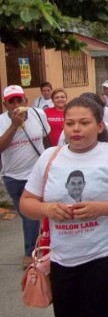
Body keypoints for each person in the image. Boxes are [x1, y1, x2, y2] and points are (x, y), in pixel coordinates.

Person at [20, 97, 108, 317]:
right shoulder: (50, 157)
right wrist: (47, 209)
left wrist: (101, 208)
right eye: (70, 123)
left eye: (84, 123)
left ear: (99, 126)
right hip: (62, 257)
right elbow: (26, 203)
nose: (76, 129)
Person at [0, 85, 50, 267]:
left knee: (33, 214)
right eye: (11, 102)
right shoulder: (1, 122)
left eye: (19, 100)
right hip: (14, 177)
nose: (16, 104)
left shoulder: (38, 115)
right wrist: (14, 125)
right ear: (5, 105)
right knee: (27, 215)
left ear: (25, 101)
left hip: (38, 173)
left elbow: (46, 138)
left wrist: (52, 159)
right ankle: (40, 245)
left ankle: (31, 252)